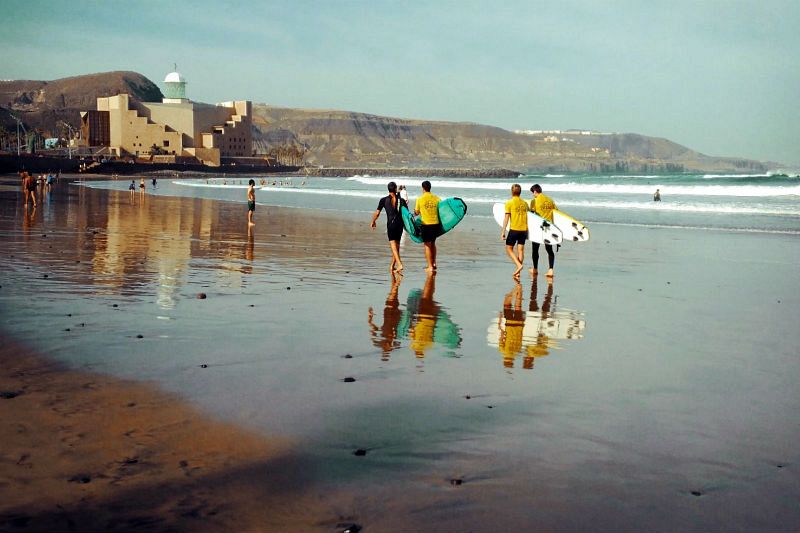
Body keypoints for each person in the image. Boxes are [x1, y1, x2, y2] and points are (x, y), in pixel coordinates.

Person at [370, 181, 406, 272]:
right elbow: (406, 214)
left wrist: (373, 221)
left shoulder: (384, 200)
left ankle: (399, 264)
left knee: (393, 246)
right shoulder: (401, 200)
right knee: (396, 246)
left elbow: (377, 213)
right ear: (395, 189)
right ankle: (392, 266)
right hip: (400, 225)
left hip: (391, 225)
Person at [501, 184, 529, 279]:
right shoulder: (525, 203)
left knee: (509, 249)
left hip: (514, 229)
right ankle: (518, 272)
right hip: (523, 230)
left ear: (512, 192)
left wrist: (503, 231)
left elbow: (506, 218)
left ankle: (518, 265)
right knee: (520, 250)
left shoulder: (509, 203)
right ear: (520, 192)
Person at [530, 184, 556, 278]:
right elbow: (556, 212)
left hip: (538, 228)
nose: (533, 195)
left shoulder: (534, 201)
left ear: (535, 191)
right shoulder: (550, 200)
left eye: (533, 193)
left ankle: (535, 269)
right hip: (549, 227)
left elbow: (532, 215)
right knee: (549, 249)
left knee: (535, 249)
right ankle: (551, 270)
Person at [414, 180, 441, 273]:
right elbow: (441, 210)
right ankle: (434, 263)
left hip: (426, 224)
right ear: (430, 188)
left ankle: (430, 267)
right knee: (433, 243)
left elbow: (416, 212)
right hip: (436, 224)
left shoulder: (420, 199)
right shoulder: (437, 198)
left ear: (423, 188)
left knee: (427, 245)